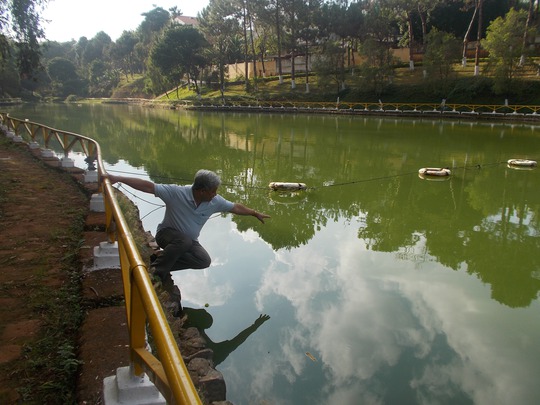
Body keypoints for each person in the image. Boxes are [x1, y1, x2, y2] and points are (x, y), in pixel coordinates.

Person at [108, 170, 270, 285]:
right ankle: (155, 273)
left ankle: (159, 261)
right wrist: (118, 178)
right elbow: (149, 187)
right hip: (166, 235)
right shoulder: (176, 193)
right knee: (183, 241)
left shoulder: (215, 201)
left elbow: (235, 207)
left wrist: (254, 213)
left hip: (189, 241)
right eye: (212, 191)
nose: (215, 194)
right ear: (201, 190)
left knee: (203, 260)